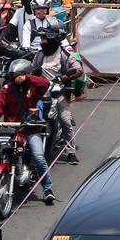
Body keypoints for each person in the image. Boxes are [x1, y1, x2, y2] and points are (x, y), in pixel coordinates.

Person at [0, 59, 55, 205]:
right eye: (14, 75)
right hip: (11, 130)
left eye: (19, 74)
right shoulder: (6, 89)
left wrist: (27, 78)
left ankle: (48, 189)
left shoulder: (33, 87)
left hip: (31, 128)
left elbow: (46, 84)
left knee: (38, 157)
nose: (16, 77)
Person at [33, 22, 82, 165]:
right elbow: (31, 68)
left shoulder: (64, 54)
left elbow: (78, 69)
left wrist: (63, 78)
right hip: (40, 92)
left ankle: (71, 152)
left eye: (44, 39)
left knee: (65, 121)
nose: (42, 42)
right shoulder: (39, 54)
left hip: (58, 92)